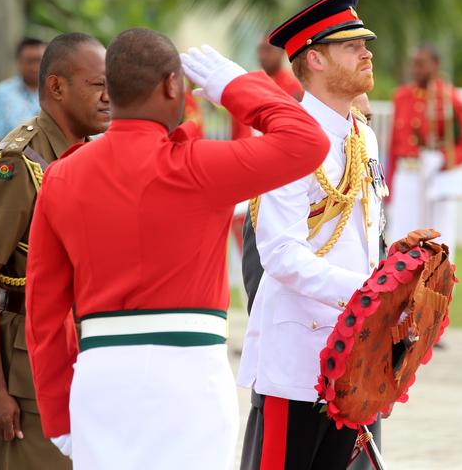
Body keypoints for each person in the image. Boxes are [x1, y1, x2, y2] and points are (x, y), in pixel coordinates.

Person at [24, 27, 329, 470]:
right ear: (172, 86)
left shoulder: (62, 176)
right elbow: (308, 141)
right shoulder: (201, 165)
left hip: (101, 375)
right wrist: (235, 85)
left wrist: (56, 415)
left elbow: (44, 311)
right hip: (189, 373)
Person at [237, 0, 386, 469]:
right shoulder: (286, 138)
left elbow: (366, 237)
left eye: (366, 43)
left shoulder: (364, 135)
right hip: (299, 349)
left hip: (355, 351)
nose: (367, 52)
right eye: (351, 46)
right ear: (315, 59)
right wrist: (370, 292)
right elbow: (280, 254)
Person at [0, 32, 109, 470]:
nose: (110, 97)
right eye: (98, 85)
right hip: (24, 371)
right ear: (56, 87)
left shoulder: (84, 156)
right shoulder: (18, 164)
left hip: (79, 354)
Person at [386, 45, 462, 260]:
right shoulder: (402, 96)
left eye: (421, 64)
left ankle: (437, 289)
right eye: (413, 64)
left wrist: (442, 159)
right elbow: (393, 146)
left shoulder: (449, 97)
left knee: (437, 239)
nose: (415, 69)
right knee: (402, 237)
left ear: (435, 65)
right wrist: (389, 187)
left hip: (436, 177)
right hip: (406, 175)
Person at [0, 38, 46, 151]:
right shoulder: (1, 94)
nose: (35, 67)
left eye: (40, 61)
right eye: (30, 61)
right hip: (11, 163)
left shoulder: (56, 93)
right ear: (18, 61)